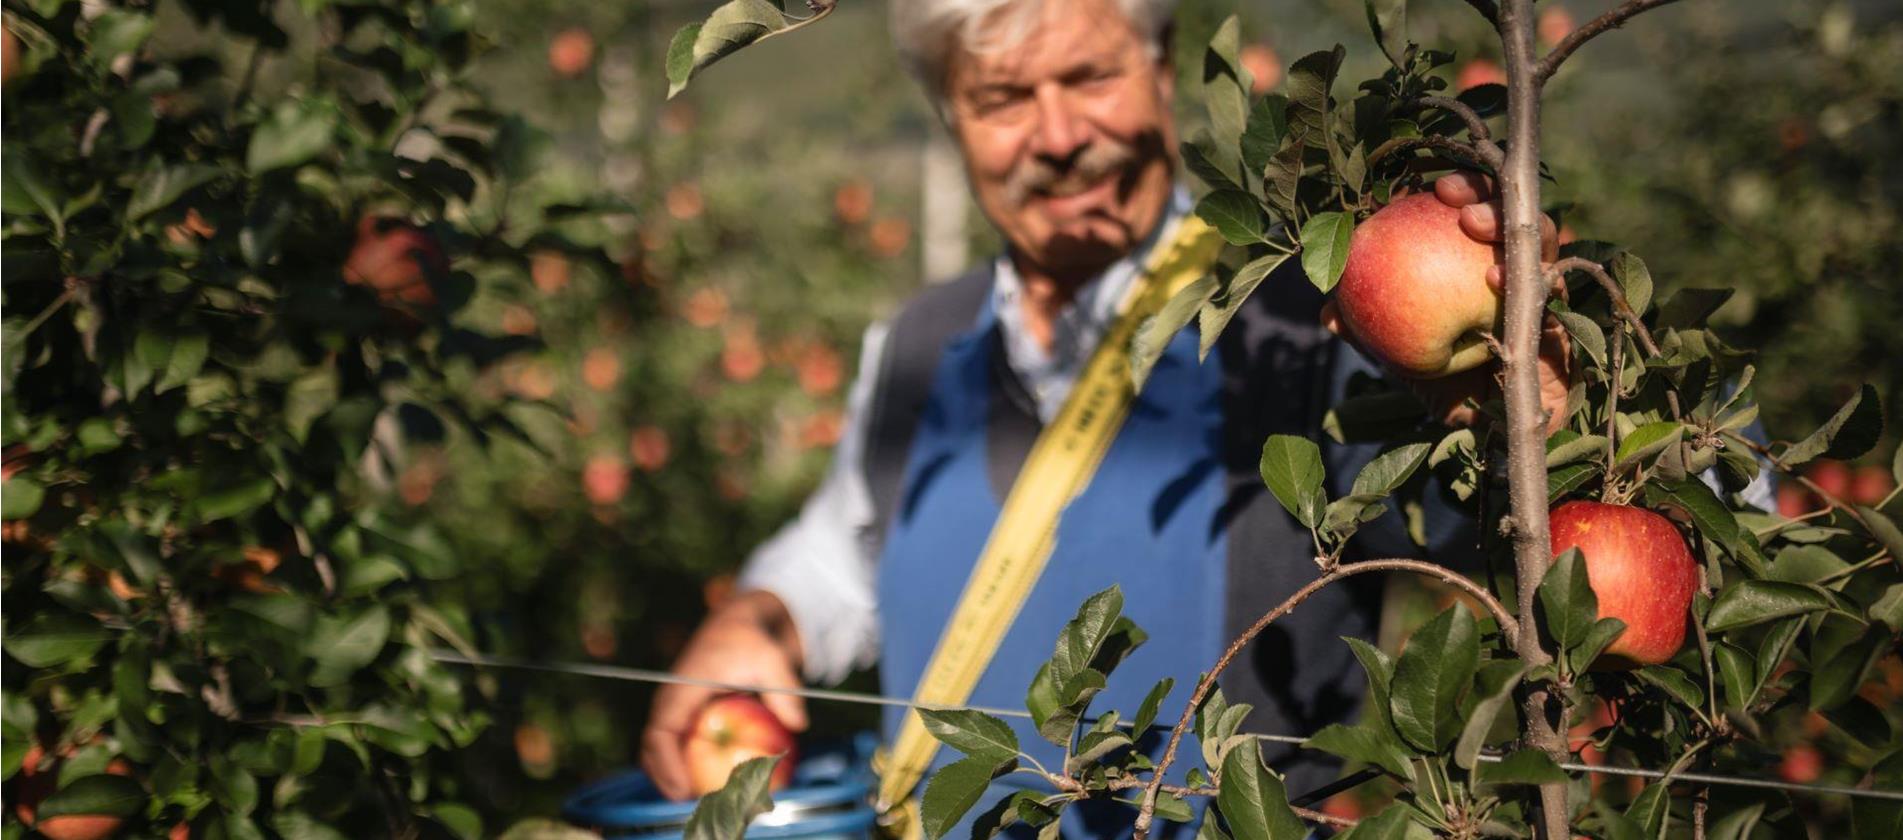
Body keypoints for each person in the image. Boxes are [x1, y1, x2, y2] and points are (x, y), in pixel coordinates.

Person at [640, 0, 1572, 834]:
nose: (1057, 134)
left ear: (1162, 72)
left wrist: (1521, 418)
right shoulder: (918, 340)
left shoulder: (1319, 318)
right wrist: (763, 614)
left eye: (1088, 76)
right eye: (1003, 98)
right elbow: (842, 554)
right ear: (950, 120)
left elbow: (1510, 543)